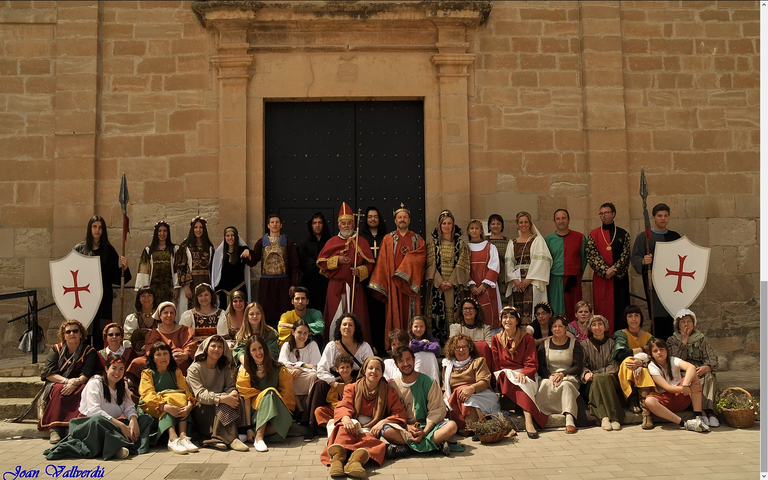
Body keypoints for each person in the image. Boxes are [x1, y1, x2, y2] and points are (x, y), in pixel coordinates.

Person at [43, 354, 153, 460]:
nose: (117, 373)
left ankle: (116, 446)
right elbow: (94, 411)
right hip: (91, 425)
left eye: (121, 369)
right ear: (106, 368)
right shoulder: (95, 383)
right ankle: (117, 447)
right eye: (114, 368)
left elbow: (129, 406)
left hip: (112, 426)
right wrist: (120, 425)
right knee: (98, 420)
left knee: (145, 419)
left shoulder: (123, 385)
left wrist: (133, 420)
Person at [322, 356, 407, 478]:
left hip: (372, 426)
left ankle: (355, 461)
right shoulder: (352, 387)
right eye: (370, 368)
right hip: (353, 422)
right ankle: (338, 459)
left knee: (371, 440)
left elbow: (399, 412)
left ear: (382, 373)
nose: (374, 371)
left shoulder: (388, 391)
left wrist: (383, 422)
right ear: (364, 370)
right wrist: (346, 418)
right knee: (342, 428)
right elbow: (344, 405)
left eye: (378, 369)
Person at [304, 313, 374, 441]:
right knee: (319, 384)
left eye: (351, 325)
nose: (347, 327)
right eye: (344, 324)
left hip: (357, 382)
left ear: (355, 328)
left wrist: (354, 384)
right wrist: (334, 383)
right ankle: (312, 426)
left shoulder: (364, 347)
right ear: (340, 328)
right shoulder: (331, 346)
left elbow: (371, 367)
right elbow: (321, 369)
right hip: (335, 381)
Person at [369, 203, 426, 348]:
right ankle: (396, 345)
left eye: (405, 217)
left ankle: (414, 344)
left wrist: (405, 269)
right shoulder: (388, 239)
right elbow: (382, 261)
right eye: (399, 217)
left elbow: (421, 258)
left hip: (411, 284)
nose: (402, 220)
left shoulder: (417, 239)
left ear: (409, 220)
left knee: (412, 313)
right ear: (395, 220)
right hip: (394, 284)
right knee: (395, 312)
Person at [317, 203, 375, 343]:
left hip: (354, 286)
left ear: (353, 224)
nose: (346, 226)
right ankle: (334, 346)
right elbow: (321, 263)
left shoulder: (361, 242)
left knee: (356, 318)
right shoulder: (332, 242)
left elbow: (370, 264)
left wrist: (359, 271)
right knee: (335, 318)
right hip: (336, 287)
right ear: (339, 225)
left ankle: (357, 347)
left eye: (349, 223)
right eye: (343, 223)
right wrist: (338, 260)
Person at [74, 215, 131, 350]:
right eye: (94, 227)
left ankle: (100, 362)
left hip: (103, 299)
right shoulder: (79, 249)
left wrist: (124, 268)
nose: (97, 230)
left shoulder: (109, 251)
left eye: (100, 227)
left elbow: (115, 278)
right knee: (84, 333)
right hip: (84, 298)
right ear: (90, 228)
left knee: (101, 333)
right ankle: (84, 363)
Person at [491, 306, 548, 439]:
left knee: (523, 382)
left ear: (517, 320)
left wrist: (524, 373)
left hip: (523, 373)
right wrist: (495, 384)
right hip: (504, 374)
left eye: (511, 317)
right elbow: (495, 364)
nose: (508, 320)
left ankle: (528, 420)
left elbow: (532, 363)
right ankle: (530, 418)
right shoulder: (496, 339)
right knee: (506, 375)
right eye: (505, 317)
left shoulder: (527, 338)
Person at [185, 335, 249, 451]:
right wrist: (223, 398)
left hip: (222, 406)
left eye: (220, 346)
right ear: (206, 348)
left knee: (238, 399)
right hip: (202, 408)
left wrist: (233, 393)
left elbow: (230, 386)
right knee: (223, 402)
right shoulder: (194, 369)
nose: (217, 349)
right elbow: (200, 395)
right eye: (213, 346)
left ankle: (218, 439)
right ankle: (232, 439)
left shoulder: (223, 367)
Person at [39, 319, 98, 444]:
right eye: (68, 332)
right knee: (57, 389)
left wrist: (75, 383)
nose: (72, 334)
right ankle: (54, 428)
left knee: (82, 391)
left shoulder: (89, 351)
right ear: (64, 335)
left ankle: (72, 427)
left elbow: (86, 374)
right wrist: (67, 381)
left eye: (75, 331)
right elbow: (48, 374)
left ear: (81, 334)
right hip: (60, 381)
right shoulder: (56, 350)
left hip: (79, 382)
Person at [391, 346, 457, 456]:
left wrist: (424, 432)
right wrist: (407, 427)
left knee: (451, 426)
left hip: (429, 428)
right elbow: (393, 414)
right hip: (405, 429)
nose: (406, 364)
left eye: (408, 359)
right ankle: (433, 446)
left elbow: (436, 411)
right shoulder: (393, 386)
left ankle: (407, 449)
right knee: (386, 430)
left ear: (414, 360)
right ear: (396, 364)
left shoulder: (429, 382)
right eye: (401, 361)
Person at [237, 335, 296, 452]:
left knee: (285, 419)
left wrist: (284, 413)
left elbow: (287, 394)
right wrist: (248, 427)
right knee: (269, 392)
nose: (258, 352)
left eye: (260, 348)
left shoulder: (279, 369)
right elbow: (247, 401)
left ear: (265, 348)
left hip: (276, 410)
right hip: (256, 412)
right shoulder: (246, 372)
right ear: (249, 353)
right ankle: (259, 438)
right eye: (253, 350)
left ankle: (256, 433)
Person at [631, 203, 682, 340]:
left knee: (673, 317)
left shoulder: (675, 236)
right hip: (655, 284)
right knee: (658, 316)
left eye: (666, 216)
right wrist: (643, 261)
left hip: (673, 284)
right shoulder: (644, 237)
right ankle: (659, 349)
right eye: (659, 216)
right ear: (653, 218)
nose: (663, 219)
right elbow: (635, 257)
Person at [138, 341, 197, 454]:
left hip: (176, 404)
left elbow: (186, 391)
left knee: (181, 397)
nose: (163, 357)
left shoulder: (176, 372)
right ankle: (172, 438)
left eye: (165, 353)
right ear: (153, 358)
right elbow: (147, 395)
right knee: (170, 398)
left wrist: (189, 406)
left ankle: (183, 436)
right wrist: (165, 406)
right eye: (158, 354)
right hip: (153, 406)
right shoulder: (148, 373)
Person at [666, 309, 720, 427]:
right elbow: (674, 360)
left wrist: (706, 367)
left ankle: (711, 412)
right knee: (689, 379)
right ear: (678, 325)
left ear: (694, 324)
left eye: (689, 321)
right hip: (683, 370)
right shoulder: (672, 340)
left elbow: (713, 358)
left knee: (709, 376)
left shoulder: (701, 339)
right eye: (683, 322)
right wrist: (684, 342)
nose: (686, 324)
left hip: (700, 368)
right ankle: (702, 412)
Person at [245, 214, 300, 328]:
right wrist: (247, 254)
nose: (274, 224)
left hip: (283, 282)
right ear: (268, 225)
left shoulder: (287, 241)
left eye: (277, 222)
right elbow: (253, 260)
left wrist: (294, 284)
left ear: (281, 225)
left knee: (283, 312)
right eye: (272, 222)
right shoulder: (262, 242)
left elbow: (294, 265)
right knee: (266, 312)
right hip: (266, 283)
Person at [645, 339, 710, 433]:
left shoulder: (673, 360)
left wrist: (686, 384)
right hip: (666, 399)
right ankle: (685, 424)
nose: (659, 353)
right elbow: (668, 388)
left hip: (681, 396)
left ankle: (698, 417)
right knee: (649, 401)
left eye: (661, 349)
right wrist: (687, 389)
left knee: (694, 377)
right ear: (651, 354)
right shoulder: (652, 366)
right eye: (655, 351)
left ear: (666, 350)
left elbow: (691, 367)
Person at [425, 210, 470, 344]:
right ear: (439, 225)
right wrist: (439, 282)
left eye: (449, 223)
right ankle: (437, 344)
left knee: (453, 316)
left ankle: (453, 344)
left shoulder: (461, 244)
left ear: (453, 225)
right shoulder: (432, 244)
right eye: (444, 223)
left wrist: (451, 282)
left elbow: (463, 265)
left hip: (453, 286)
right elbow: (429, 264)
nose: (446, 226)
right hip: (437, 286)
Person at [586, 203, 631, 333]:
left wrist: (614, 269)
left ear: (613, 214)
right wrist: (605, 270)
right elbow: (591, 255)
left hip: (619, 280)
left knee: (620, 310)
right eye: (601, 213)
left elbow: (626, 255)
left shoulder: (623, 234)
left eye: (606, 213)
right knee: (603, 309)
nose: (603, 216)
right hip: (602, 279)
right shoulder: (594, 235)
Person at [443, 334, 500, 434]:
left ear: (470, 348)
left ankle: (475, 427)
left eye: (464, 347)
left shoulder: (478, 362)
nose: (461, 350)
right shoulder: (447, 366)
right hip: (455, 399)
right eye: (457, 348)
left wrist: (470, 389)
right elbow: (444, 388)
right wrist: (446, 400)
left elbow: (484, 381)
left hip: (479, 394)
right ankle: (476, 427)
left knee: (466, 396)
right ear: (452, 349)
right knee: (459, 394)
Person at [535, 315, 584, 434]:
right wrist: (550, 375)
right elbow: (541, 366)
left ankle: (569, 418)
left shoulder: (574, 344)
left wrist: (563, 374)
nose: (557, 329)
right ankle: (541, 415)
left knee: (566, 386)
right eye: (554, 326)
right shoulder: (544, 344)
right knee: (545, 384)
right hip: (550, 376)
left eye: (560, 326)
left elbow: (578, 366)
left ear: (566, 327)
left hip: (569, 376)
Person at [612, 305, 656, 429]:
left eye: (636, 315)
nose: (633, 319)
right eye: (630, 316)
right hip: (627, 369)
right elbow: (620, 354)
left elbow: (656, 355)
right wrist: (642, 349)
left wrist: (641, 363)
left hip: (644, 367)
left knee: (644, 370)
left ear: (641, 318)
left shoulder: (648, 337)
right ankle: (632, 397)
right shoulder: (622, 334)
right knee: (629, 361)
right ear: (626, 319)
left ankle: (646, 413)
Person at [505, 212, 552, 326]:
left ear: (530, 224)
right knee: (517, 311)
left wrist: (528, 279)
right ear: (517, 224)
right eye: (521, 222)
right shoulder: (512, 242)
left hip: (533, 282)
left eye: (526, 222)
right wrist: (515, 280)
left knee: (533, 310)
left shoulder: (537, 240)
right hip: (517, 283)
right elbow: (509, 263)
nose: (523, 224)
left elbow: (541, 262)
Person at [127, 302, 196, 378]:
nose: (169, 315)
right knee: (137, 362)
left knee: (181, 360)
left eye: (171, 313)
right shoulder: (154, 333)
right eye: (165, 313)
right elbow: (152, 350)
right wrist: (167, 357)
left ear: (175, 316)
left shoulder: (184, 330)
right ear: (160, 316)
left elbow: (190, 344)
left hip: (179, 359)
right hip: (158, 360)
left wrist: (186, 354)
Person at [579, 315, 624, 431]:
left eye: (600, 324)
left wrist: (595, 373)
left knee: (601, 378)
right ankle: (610, 417)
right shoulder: (584, 345)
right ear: (590, 328)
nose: (597, 327)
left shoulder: (612, 344)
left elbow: (613, 366)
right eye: (594, 325)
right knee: (597, 380)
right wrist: (586, 373)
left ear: (605, 327)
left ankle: (605, 416)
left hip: (610, 380)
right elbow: (581, 365)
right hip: (591, 382)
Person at [544, 209, 587, 320]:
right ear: (554, 221)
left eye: (563, 218)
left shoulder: (580, 238)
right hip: (555, 280)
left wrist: (576, 273)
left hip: (573, 281)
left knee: (575, 311)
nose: (561, 221)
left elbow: (584, 259)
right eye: (558, 218)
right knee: (556, 310)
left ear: (569, 220)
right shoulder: (548, 240)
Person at [359, 206, 389, 358]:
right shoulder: (361, 237)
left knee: (381, 316)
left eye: (375, 216)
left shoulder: (386, 236)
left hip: (383, 282)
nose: (372, 219)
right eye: (370, 216)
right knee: (367, 315)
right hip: (365, 282)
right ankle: (367, 347)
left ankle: (382, 347)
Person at [466, 219, 502, 333]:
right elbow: (463, 268)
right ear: (468, 231)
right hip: (471, 286)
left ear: (481, 230)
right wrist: (471, 285)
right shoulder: (464, 248)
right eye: (472, 228)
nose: (474, 231)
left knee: (489, 314)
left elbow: (495, 266)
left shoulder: (490, 247)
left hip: (487, 287)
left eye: (477, 228)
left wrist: (484, 285)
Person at [278, 319, 322, 413]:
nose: (302, 336)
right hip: (292, 376)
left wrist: (301, 370)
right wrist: (302, 365)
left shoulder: (312, 345)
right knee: (286, 375)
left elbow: (316, 366)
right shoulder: (287, 345)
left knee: (314, 376)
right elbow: (282, 363)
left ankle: (306, 408)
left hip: (306, 376)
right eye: (299, 332)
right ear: (293, 332)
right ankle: (300, 409)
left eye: (305, 333)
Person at [135, 221, 181, 306]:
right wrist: (145, 292)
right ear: (156, 233)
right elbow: (144, 271)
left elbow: (177, 269)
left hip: (169, 288)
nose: (162, 233)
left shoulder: (175, 249)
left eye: (165, 231)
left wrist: (176, 287)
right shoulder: (148, 250)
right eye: (159, 231)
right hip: (153, 288)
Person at [176, 216, 215, 313]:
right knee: (190, 310)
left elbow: (213, 268)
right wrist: (185, 286)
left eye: (201, 227)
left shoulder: (209, 247)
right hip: (190, 284)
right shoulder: (185, 246)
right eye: (196, 227)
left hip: (206, 282)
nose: (198, 230)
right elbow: (180, 267)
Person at [313, 354, 356, 435]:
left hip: (351, 410)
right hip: (336, 409)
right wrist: (338, 408)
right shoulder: (336, 382)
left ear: (352, 368)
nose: (345, 370)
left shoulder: (356, 382)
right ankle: (335, 427)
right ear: (337, 369)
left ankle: (343, 426)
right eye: (342, 367)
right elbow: (330, 399)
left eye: (347, 367)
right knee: (319, 411)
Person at [298, 212, 332, 315]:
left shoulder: (330, 242)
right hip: (310, 282)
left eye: (320, 223)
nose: (317, 225)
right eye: (315, 223)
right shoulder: (304, 243)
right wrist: (318, 264)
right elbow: (303, 262)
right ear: (311, 225)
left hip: (326, 282)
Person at [211, 226, 252, 310]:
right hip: (223, 292)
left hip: (239, 289)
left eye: (232, 235)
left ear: (236, 237)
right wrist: (217, 290)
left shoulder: (242, 251)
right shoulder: (220, 253)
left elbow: (252, 258)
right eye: (227, 236)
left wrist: (248, 250)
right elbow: (217, 272)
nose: (230, 238)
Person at [97, 324, 138, 396]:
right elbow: (96, 374)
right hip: (104, 389)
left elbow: (135, 373)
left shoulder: (130, 353)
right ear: (106, 337)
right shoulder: (99, 355)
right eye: (110, 335)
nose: (114, 337)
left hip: (127, 389)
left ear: (122, 337)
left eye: (117, 334)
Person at [486, 214, 510, 307]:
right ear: (489, 226)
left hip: (504, 277)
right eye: (493, 224)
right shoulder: (484, 241)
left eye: (498, 224)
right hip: (489, 278)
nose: (495, 226)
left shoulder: (508, 241)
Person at [408, 315, 441, 380]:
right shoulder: (407, 338)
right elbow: (410, 348)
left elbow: (437, 348)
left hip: (428, 366)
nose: (418, 329)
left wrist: (418, 346)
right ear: (411, 328)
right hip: (414, 365)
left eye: (421, 326)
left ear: (425, 328)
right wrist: (423, 342)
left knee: (430, 355)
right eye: (416, 326)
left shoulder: (429, 337)